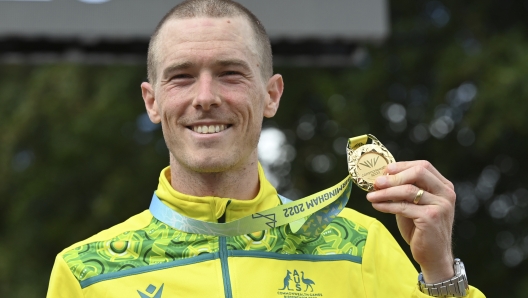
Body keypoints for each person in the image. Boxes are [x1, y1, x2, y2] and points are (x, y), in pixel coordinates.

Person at [47, 0, 485, 297]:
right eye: (181, 76)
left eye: (230, 73)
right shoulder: (84, 274)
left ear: (271, 95)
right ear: (152, 101)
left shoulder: (360, 246)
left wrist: (441, 274)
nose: (205, 97)